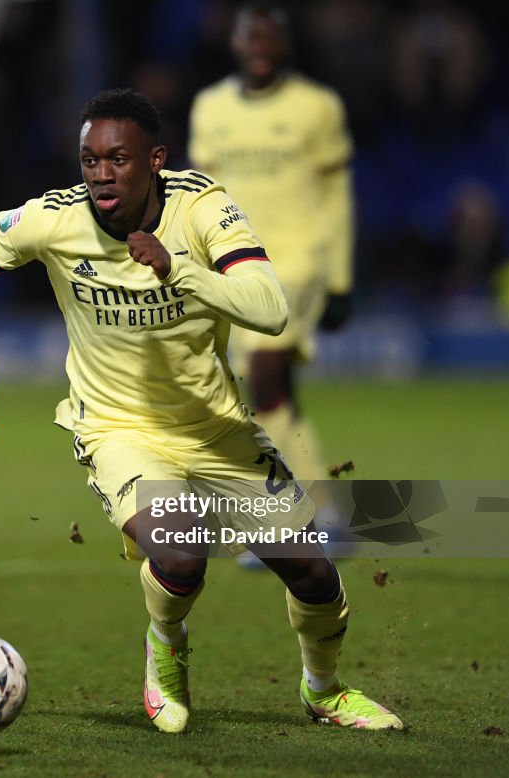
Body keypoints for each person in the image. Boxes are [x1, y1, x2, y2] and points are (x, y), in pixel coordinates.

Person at [0, 88, 403, 734]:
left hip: (216, 429)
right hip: (118, 429)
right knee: (182, 551)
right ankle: (166, 647)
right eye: (89, 160)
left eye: (118, 160)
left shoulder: (203, 208)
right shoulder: (54, 219)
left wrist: (180, 271)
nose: (101, 174)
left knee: (313, 573)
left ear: (155, 160)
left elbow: (270, 306)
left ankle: (323, 690)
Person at [188, 3, 354, 483]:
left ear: (285, 45)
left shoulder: (317, 107)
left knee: (262, 382)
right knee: (271, 392)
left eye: (270, 38)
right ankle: (305, 517)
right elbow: (203, 196)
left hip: (300, 260)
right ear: (235, 43)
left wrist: (340, 280)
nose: (260, 47)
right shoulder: (210, 108)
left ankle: (308, 516)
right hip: (237, 265)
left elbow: (336, 195)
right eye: (251, 37)